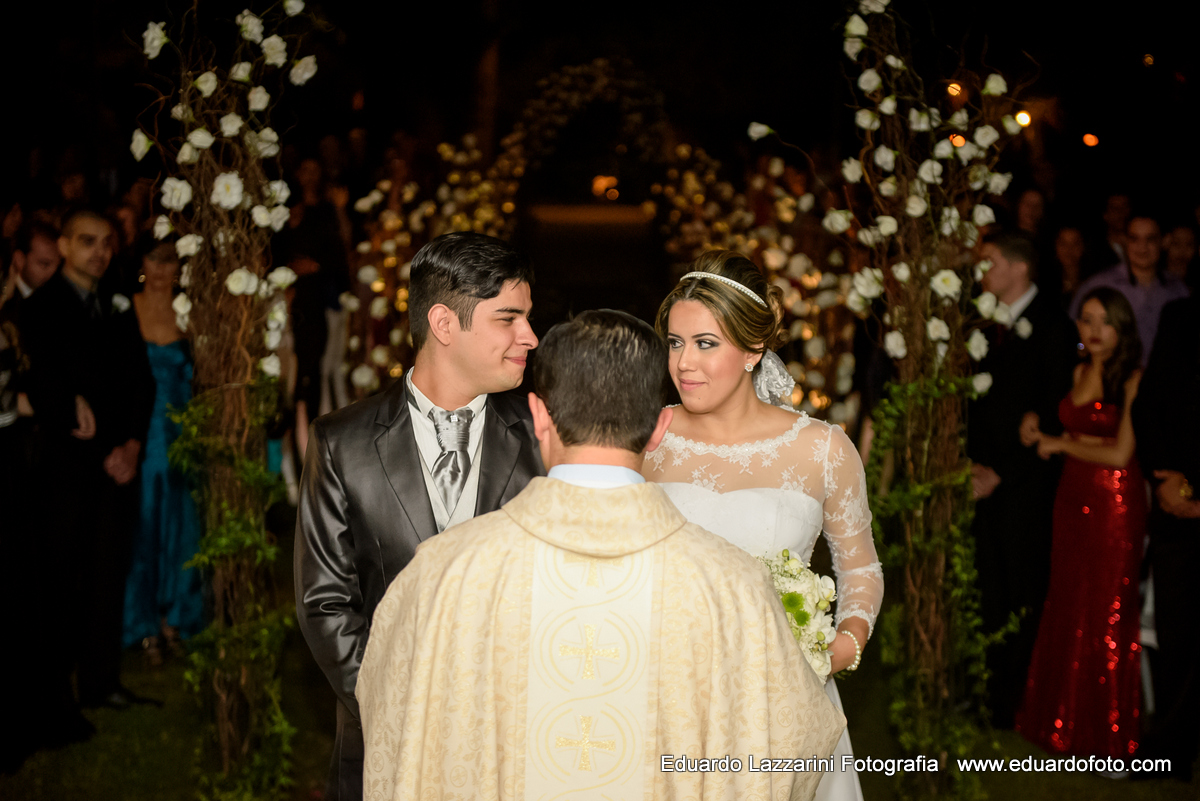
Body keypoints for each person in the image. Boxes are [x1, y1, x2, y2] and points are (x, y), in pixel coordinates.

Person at [357, 309, 845, 801]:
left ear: (540, 417)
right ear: (658, 429)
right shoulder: (731, 587)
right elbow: (795, 739)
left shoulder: (446, 572)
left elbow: (392, 717)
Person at [295, 232, 544, 801]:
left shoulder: (543, 435)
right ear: (444, 323)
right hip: (385, 743)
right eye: (508, 319)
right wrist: (392, 703)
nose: (529, 336)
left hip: (515, 746)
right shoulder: (343, 442)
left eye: (528, 318)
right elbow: (325, 601)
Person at [640, 250, 879, 801]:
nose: (683, 364)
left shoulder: (823, 449)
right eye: (675, 343)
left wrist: (842, 645)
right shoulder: (646, 437)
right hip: (670, 693)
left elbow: (860, 565)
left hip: (787, 697)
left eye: (705, 344)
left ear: (752, 351)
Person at [19, 209, 156, 712]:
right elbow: (52, 389)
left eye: (106, 243)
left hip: (120, 466)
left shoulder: (117, 303)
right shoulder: (38, 309)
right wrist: (107, 451)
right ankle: (56, 691)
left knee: (107, 575)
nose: (99, 252)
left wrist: (133, 446)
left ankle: (102, 682)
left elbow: (142, 381)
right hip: (69, 471)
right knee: (62, 581)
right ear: (63, 244)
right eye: (87, 242)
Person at [1017, 287, 1146, 761]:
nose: (1092, 330)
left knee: (1107, 612)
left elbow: (1119, 453)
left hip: (1115, 503)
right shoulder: (1077, 371)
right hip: (1071, 497)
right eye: (1085, 319)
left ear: (1121, 328)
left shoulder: (1131, 379)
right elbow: (1069, 431)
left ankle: (1109, 737)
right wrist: (1040, 428)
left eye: (1103, 321)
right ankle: (1059, 727)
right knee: (1068, 603)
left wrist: (1059, 444)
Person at [968, 232, 1077, 728]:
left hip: (1026, 487)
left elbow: (1055, 414)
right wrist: (971, 464)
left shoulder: (1055, 326)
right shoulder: (983, 322)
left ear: (1019, 269)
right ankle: (983, 690)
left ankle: (1014, 698)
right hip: (978, 478)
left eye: (989, 262)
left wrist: (1003, 473)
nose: (981, 271)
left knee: (1020, 590)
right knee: (985, 587)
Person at [122, 240, 203, 664]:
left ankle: (177, 618)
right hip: (140, 433)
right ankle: (142, 622)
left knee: (182, 524)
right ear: (141, 263)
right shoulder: (125, 308)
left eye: (169, 259)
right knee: (144, 523)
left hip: (180, 434)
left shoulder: (189, 313)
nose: (160, 268)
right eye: (154, 259)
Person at [1130, 293, 1200, 781]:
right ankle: (1172, 750)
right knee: (1177, 635)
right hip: (1178, 508)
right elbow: (1150, 404)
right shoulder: (1182, 314)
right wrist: (1164, 479)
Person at [1069, 215, 1188, 358]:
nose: (1142, 247)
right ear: (1125, 241)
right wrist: (1082, 351)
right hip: (1112, 377)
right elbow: (1072, 334)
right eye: (1134, 239)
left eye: (1150, 239)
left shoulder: (1177, 289)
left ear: (1164, 241)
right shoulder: (1098, 284)